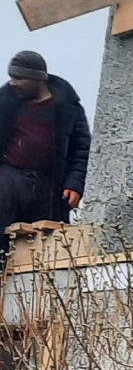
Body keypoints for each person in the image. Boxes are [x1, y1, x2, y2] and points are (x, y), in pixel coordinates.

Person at [0, 50, 90, 243]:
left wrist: (74, 184)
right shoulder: (4, 102)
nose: (13, 83)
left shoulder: (68, 107)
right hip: (8, 181)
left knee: (44, 247)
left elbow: (81, 149)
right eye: (11, 77)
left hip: (49, 187)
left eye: (19, 78)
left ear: (37, 79)